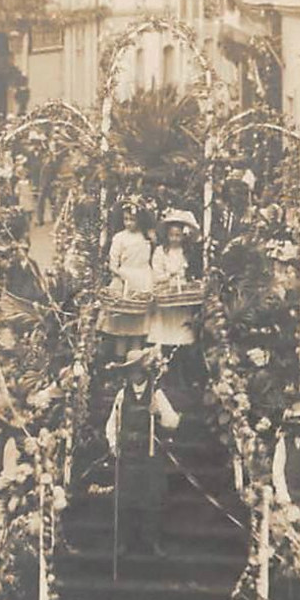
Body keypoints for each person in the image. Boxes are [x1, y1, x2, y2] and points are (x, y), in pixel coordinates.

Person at [105, 348, 181, 558]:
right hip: (127, 455)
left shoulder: (156, 393)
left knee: (152, 499)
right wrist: (113, 444)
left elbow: (173, 422)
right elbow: (112, 423)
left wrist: (158, 414)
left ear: (143, 371)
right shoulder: (122, 394)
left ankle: (153, 542)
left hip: (149, 455)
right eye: (129, 371)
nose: (133, 375)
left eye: (136, 370)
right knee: (125, 499)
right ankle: (124, 542)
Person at [99, 200, 154, 359]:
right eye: (126, 219)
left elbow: (149, 259)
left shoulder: (146, 237)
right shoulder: (119, 238)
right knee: (122, 323)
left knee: (138, 324)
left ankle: (135, 358)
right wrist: (122, 275)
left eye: (132, 219)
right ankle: (119, 358)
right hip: (124, 281)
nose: (129, 223)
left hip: (143, 279)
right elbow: (113, 263)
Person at [148, 210, 200, 350]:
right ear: (167, 235)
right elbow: (156, 275)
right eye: (171, 235)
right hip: (165, 292)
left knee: (181, 325)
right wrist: (169, 275)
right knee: (165, 325)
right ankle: (164, 350)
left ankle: (181, 349)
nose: (174, 239)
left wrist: (188, 280)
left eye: (178, 235)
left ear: (183, 236)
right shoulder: (160, 251)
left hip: (182, 294)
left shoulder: (186, 252)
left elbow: (191, 274)